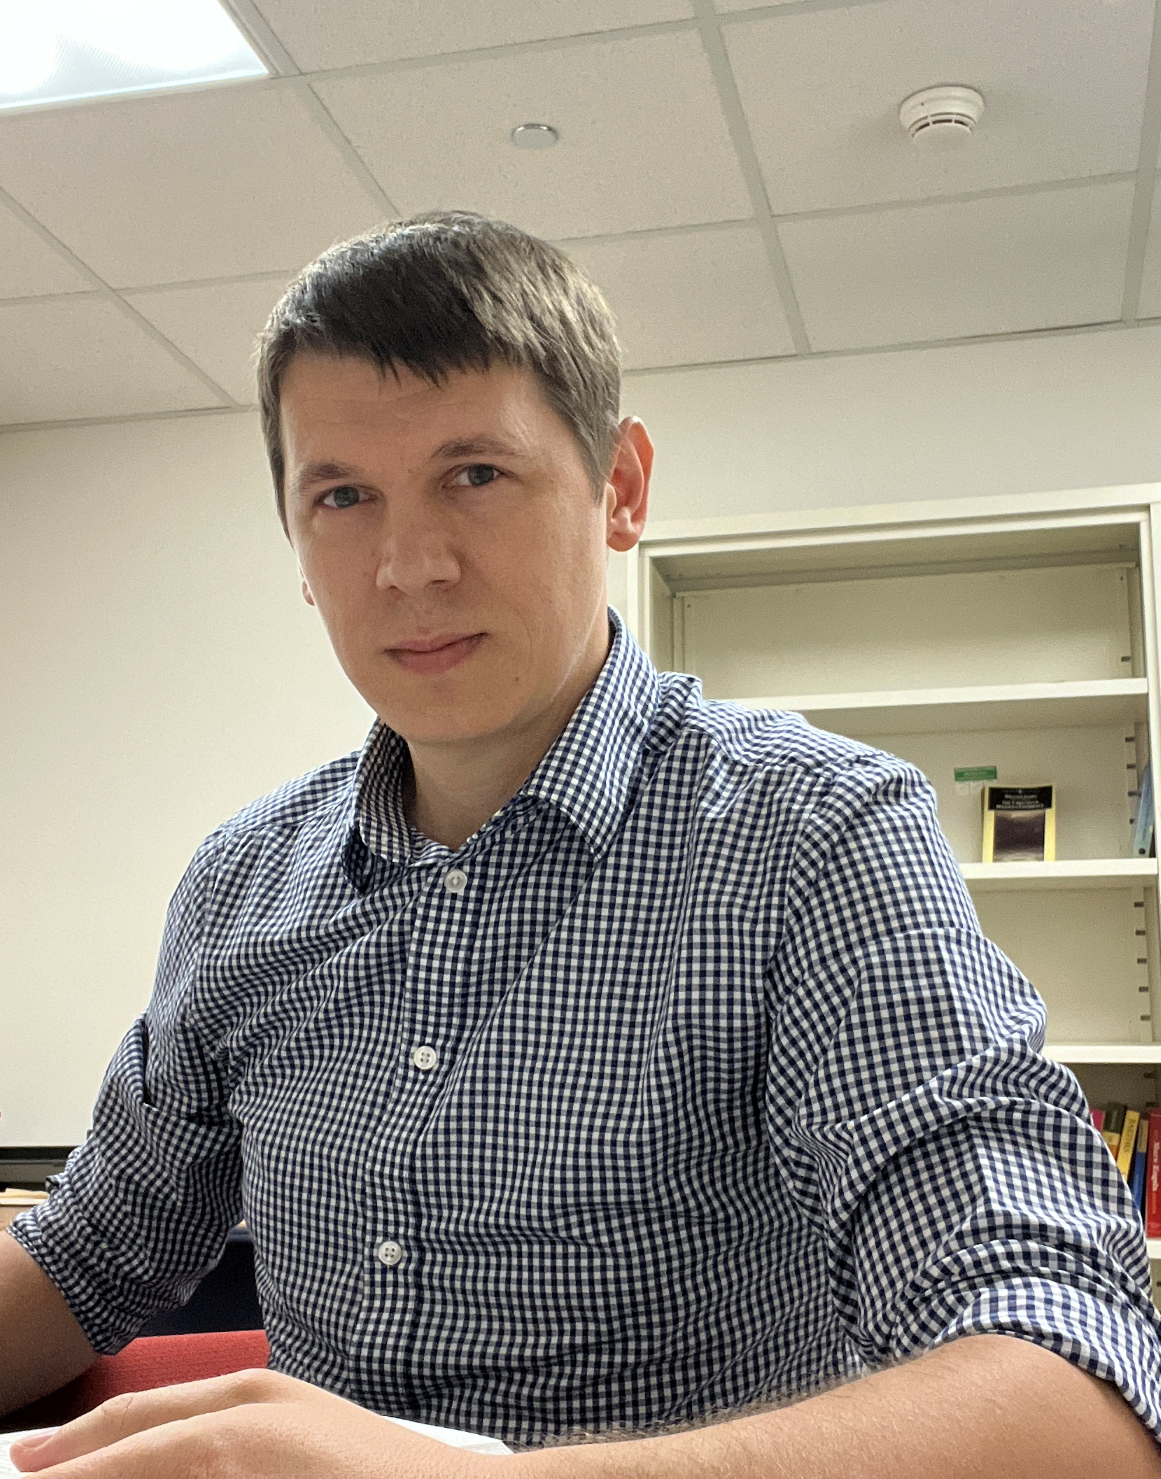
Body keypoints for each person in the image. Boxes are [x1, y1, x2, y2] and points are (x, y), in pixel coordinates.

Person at [3, 211, 1161, 1479]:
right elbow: (90, 1253)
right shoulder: (242, 883)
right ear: (294, 538)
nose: (408, 565)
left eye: (474, 474)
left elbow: (1075, 1395)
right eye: (342, 496)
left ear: (621, 487)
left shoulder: (814, 839)